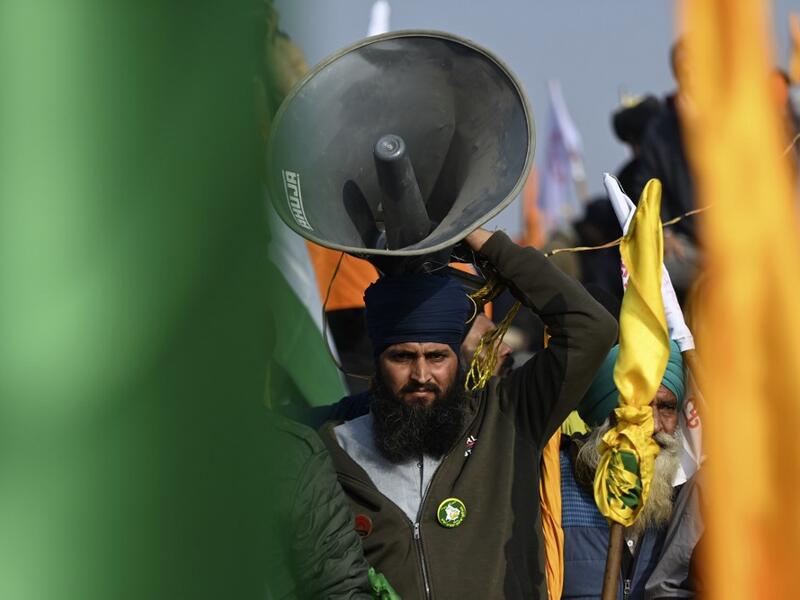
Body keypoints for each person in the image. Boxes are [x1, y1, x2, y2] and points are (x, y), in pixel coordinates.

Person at [318, 228, 618, 599]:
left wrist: (479, 240)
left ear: (458, 359)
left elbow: (592, 327)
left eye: (437, 357)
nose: (421, 375)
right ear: (377, 364)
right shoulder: (332, 449)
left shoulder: (508, 417)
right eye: (402, 357)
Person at [560, 342, 704, 599]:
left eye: (666, 408)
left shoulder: (683, 501)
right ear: (606, 414)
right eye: (640, 409)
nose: (654, 425)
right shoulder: (555, 487)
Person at [633, 40, 701, 301]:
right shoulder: (660, 129)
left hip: (736, 243)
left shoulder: (732, 116)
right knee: (651, 272)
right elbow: (646, 186)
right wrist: (664, 231)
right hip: (687, 246)